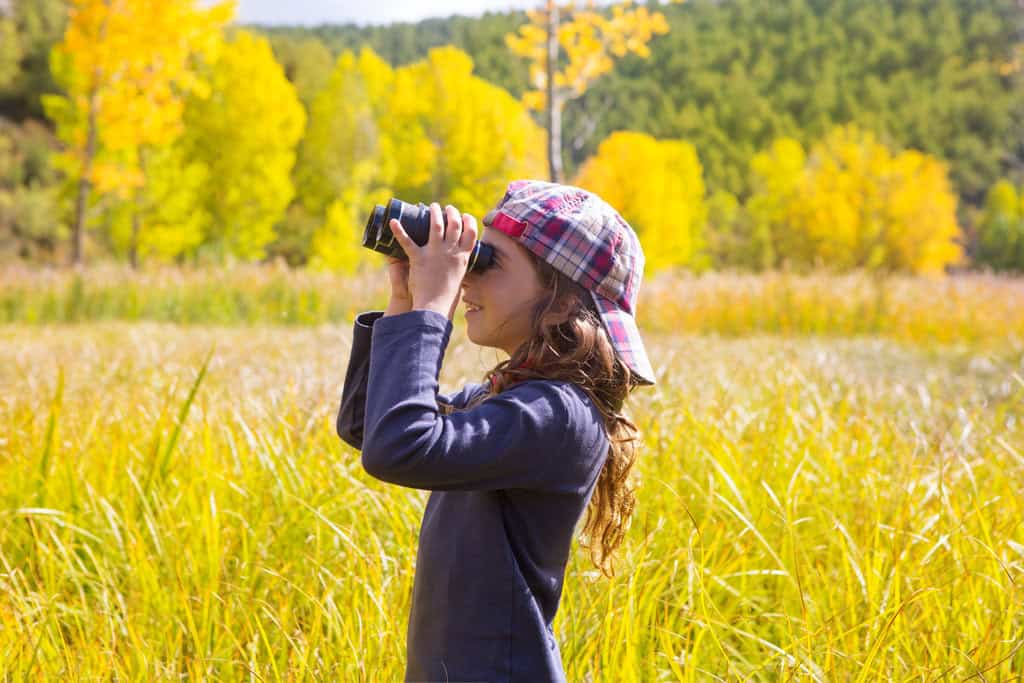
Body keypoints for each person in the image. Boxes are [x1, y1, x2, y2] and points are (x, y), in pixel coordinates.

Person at [337, 179, 657, 682]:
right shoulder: (503, 401)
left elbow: (401, 446)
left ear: (558, 298)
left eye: (486, 261)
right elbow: (371, 427)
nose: (466, 280)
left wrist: (430, 309)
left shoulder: (561, 415)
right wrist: (404, 299)